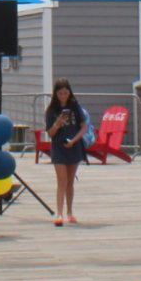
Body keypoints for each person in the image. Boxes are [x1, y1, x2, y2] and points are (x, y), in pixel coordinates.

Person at [44, 77, 86, 227]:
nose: (63, 96)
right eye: (60, 93)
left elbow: (83, 127)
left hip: (73, 146)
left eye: (65, 93)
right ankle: (59, 213)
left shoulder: (75, 107)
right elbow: (50, 133)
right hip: (59, 147)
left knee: (70, 181)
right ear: (56, 94)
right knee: (61, 181)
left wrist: (74, 140)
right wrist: (57, 123)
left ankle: (69, 212)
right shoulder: (51, 110)